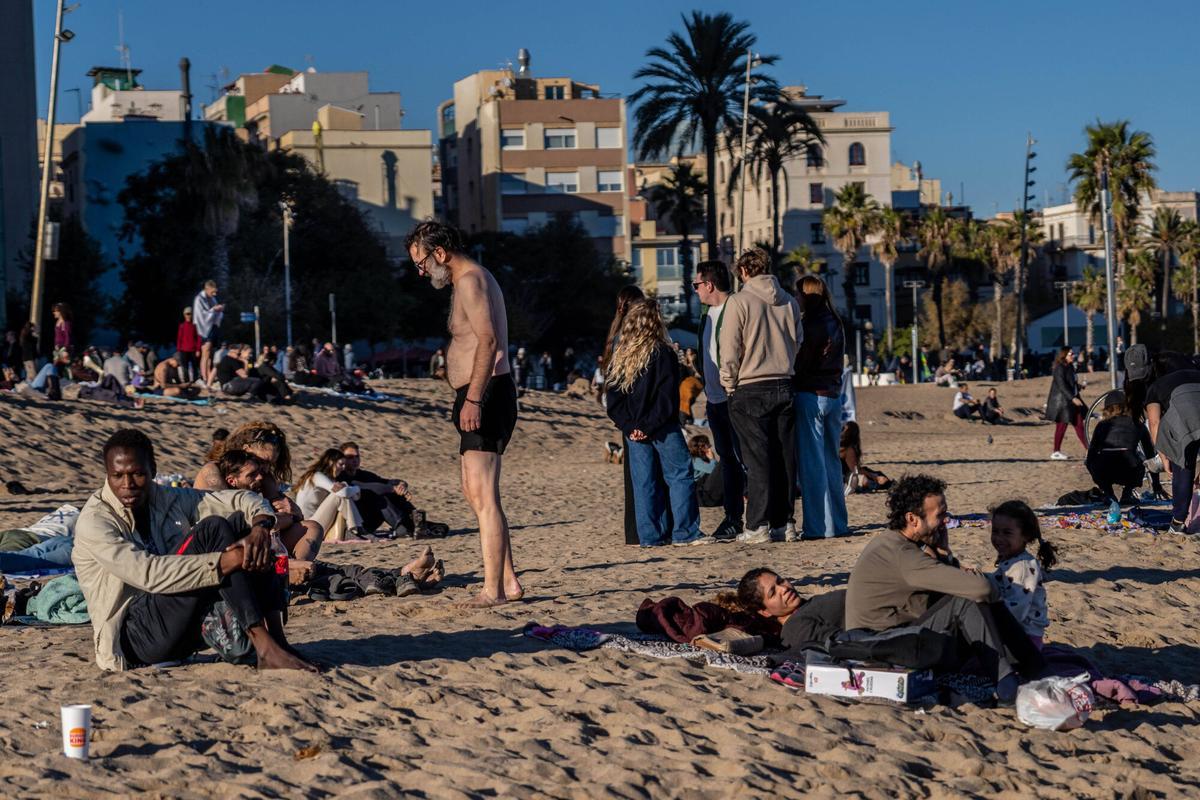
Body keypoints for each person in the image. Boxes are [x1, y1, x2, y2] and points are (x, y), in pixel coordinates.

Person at [72, 429, 316, 672]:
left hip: (179, 628)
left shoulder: (164, 497)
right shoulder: (95, 520)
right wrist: (225, 561)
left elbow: (233, 500)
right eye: (117, 476)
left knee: (244, 528)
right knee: (212, 529)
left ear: (153, 471)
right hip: (134, 638)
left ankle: (277, 640)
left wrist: (262, 526)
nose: (127, 485)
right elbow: (149, 575)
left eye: (137, 474)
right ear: (107, 475)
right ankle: (265, 647)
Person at [844, 474, 1040, 702]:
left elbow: (946, 584)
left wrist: (945, 554)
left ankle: (1027, 667)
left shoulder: (896, 543)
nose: (946, 520)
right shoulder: (903, 556)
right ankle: (1009, 682)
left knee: (965, 598)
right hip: (880, 644)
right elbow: (981, 588)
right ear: (913, 519)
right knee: (967, 599)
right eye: (940, 515)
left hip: (888, 636)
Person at [407, 219, 522, 605]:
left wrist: (472, 398)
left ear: (439, 253)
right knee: (474, 493)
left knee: (485, 495)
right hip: (477, 393)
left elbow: (488, 341)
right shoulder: (468, 280)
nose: (421, 273)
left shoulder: (471, 280)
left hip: (485, 394)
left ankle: (494, 591)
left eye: (422, 264)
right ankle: (508, 581)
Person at [606, 300, 710, 548]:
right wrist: (646, 426)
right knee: (680, 476)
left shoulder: (621, 356)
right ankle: (685, 532)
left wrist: (631, 427)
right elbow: (666, 399)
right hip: (662, 427)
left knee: (645, 484)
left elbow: (613, 401)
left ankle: (650, 536)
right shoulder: (662, 353)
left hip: (634, 430)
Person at [719, 248, 802, 545]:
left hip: (751, 385)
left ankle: (757, 525)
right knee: (784, 459)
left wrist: (729, 383)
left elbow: (729, 349)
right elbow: (798, 340)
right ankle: (784, 522)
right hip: (784, 382)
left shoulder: (739, 302)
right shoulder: (789, 302)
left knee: (757, 460)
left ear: (743, 272)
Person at [194, 422, 318, 560]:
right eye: (263, 461)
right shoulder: (213, 471)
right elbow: (224, 520)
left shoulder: (262, 475)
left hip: (255, 530)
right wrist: (280, 519)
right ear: (246, 449)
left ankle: (298, 572)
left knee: (311, 528)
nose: (265, 469)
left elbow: (291, 514)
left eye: (270, 464)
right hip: (215, 541)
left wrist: (292, 514)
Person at [793, 275, 848, 540]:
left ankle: (817, 527)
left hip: (811, 394)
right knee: (831, 463)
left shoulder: (810, 324)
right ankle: (837, 523)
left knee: (812, 466)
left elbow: (802, 363)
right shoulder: (835, 321)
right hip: (834, 393)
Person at [603, 285, 649, 545]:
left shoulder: (615, 334)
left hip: (626, 416)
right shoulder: (630, 336)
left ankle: (634, 532)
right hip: (637, 413)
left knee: (633, 477)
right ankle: (640, 531)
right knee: (642, 476)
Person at [1136, 349, 1200, 534]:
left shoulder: (1154, 388)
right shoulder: (1196, 373)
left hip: (1185, 425)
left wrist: (1164, 456)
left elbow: (1154, 423)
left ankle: (1178, 522)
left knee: (1183, 467)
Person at [987, 500, 1055, 649]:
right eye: (995, 531)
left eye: (1007, 533)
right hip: (1017, 633)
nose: (998, 538)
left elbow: (1017, 610)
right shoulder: (1011, 559)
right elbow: (998, 582)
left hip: (1025, 639)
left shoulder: (1023, 568)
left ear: (1025, 535)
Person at [336, 441, 419, 537]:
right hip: (356, 524)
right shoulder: (340, 477)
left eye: (357, 456)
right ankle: (404, 528)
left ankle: (416, 520)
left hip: (370, 519)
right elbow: (366, 487)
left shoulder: (363, 474)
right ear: (342, 459)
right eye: (350, 457)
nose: (355, 460)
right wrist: (392, 488)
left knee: (393, 493)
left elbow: (386, 482)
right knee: (381, 497)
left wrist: (401, 485)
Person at [1086, 389, 1154, 506]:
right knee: (1140, 462)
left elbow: (1091, 455)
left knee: (1094, 462)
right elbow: (1150, 455)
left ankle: (1109, 494)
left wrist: (1094, 470)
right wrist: (1156, 485)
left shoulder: (1101, 425)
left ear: (1107, 409)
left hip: (1104, 469)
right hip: (1129, 469)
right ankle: (1127, 493)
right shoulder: (1137, 423)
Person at [294, 449, 369, 542]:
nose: (343, 467)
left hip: (316, 523)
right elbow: (343, 493)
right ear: (330, 462)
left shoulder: (329, 479)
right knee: (338, 496)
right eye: (341, 464)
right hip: (308, 526)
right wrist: (357, 488)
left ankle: (355, 530)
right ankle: (356, 530)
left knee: (342, 493)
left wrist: (347, 487)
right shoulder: (317, 476)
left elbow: (355, 497)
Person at [1045, 347, 1087, 460]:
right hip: (1062, 403)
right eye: (1071, 353)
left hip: (1070, 402)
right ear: (1064, 355)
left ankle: (1089, 450)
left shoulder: (1069, 367)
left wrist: (1079, 386)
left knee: (1079, 426)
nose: (1073, 355)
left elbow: (1070, 383)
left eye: (1073, 353)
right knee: (1061, 427)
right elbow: (1061, 385)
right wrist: (1073, 398)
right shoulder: (1059, 368)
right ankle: (1056, 452)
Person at [839, 421, 892, 495]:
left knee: (869, 472)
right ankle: (886, 484)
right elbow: (855, 470)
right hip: (844, 479)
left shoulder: (836, 445)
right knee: (869, 478)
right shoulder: (848, 450)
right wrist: (875, 477)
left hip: (838, 476)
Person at [192, 280, 225, 387]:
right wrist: (214, 309)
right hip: (204, 329)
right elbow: (200, 315)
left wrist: (219, 310)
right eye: (213, 292)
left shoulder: (212, 299)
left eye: (216, 292)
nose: (215, 294)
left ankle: (209, 377)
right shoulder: (199, 299)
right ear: (207, 289)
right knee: (205, 353)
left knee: (211, 353)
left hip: (213, 327)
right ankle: (204, 377)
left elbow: (214, 313)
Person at [689, 435, 724, 508]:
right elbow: (714, 470)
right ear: (701, 447)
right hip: (701, 494)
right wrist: (712, 459)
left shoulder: (702, 459)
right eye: (708, 445)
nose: (710, 448)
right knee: (723, 464)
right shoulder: (694, 460)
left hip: (705, 491)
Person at [176, 307, 201, 383]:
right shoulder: (182, 326)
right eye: (187, 314)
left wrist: (198, 349)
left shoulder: (195, 325)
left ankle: (195, 380)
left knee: (195, 366)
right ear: (184, 315)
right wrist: (178, 349)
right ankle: (186, 381)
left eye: (190, 314)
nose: (189, 315)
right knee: (184, 367)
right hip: (183, 350)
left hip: (193, 350)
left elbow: (198, 338)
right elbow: (179, 338)